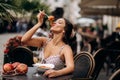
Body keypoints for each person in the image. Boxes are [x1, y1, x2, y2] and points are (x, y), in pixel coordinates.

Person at [21, 11, 74, 78]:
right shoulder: (45, 41)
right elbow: (24, 40)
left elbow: (71, 67)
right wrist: (39, 23)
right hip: (39, 77)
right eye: (55, 21)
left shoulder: (66, 48)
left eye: (59, 22)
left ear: (64, 30)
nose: (54, 22)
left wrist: (57, 73)